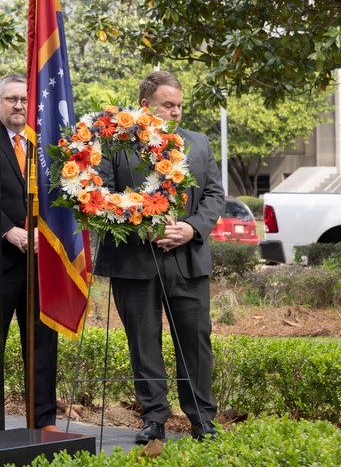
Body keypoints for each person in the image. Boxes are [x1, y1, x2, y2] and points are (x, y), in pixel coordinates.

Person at [94, 70, 224, 444]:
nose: (176, 112)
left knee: (196, 342)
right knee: (143, 343)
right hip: (134, 261)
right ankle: (154, 419)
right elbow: (100, 195)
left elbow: (214, 195)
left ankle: (202, 420)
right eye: (168, 105)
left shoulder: (198, 143)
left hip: (188, 260)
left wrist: (192, 228)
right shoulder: (116, 145)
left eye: (179, 105)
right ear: (146, 105)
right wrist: (142, 223)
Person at [0, 73, 59, 431]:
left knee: (41, 342)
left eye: (24, 99)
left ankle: (43, 419)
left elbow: (62, 196)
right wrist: (7, 230)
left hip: (41, 261)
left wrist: (44, 233)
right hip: (0, 262)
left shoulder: (46, 144)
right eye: (11, 99)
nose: (19, 105)